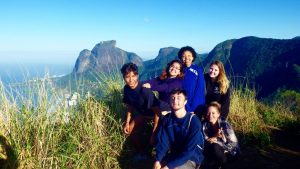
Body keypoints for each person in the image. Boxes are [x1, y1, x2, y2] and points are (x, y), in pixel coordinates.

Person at [154, 88, 204, 169]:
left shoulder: (193, 121)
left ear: (185, 102)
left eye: (179, 98)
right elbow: (162, 143)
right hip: (175, 154)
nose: (175, 100)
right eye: (172, 98)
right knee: (157, 166)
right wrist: (158, 160)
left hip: (191, 157)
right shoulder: (167, 119)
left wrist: (169, 166)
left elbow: (189, 151)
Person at [121, 62, 161, 161]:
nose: (131, 80)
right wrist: (127, 123)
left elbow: (157, 112)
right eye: (127, 77)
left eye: (133, 76)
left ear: (137, 75)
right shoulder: (126, 89)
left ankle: (156, 155)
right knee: (129, 130)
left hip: (158, 114)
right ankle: (142, 153)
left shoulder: (144, 90)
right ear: (123, 77)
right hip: (144, 115)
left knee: (157, 137)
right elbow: (129, 105)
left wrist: (154, 132)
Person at [202, 102, 240, 169]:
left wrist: (218, 140)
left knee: (215, 146)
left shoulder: (224, 124)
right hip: (215, 150)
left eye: (213, 113)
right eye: (208, 113)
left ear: (218, 114)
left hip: (231, 152)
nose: (210, 115)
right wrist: (215, 136)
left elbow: (233, 145)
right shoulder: (205, 124)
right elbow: (206, 141)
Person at [178, 46, 205, 116]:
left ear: (193, 57)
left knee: (195, 125)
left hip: (197, 106)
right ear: (181, 58)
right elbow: (178, 89)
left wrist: (193, 108)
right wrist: (186, 106)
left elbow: (200, 89)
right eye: (183, 56)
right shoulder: (179, 70)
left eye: (189, 55)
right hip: (182, 105)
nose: (186, 58)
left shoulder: (198, 70)